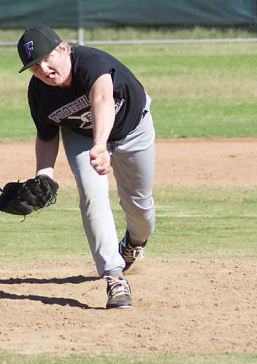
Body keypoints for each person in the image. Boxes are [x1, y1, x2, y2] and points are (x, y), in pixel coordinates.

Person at [17, 26, 156, 309]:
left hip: (132, 129)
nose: (43, 68)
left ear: (64, 49)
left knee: (140, 206)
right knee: (91, 196)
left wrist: (101, 143)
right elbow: (46, 135)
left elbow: (103, 98)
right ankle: (115, 278)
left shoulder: (92, 62)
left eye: (47, 58)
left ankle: (133, 242)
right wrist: (43, 177)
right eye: (34, 66)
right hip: (80, 136)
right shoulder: (39, 93)